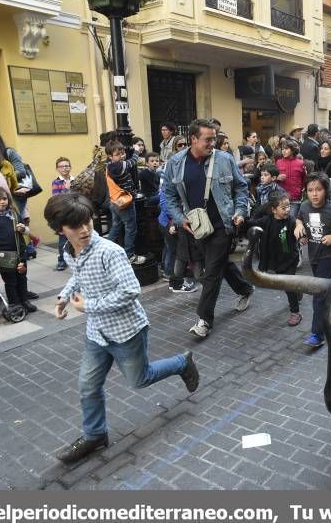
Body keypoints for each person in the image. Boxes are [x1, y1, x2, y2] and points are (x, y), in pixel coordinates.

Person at [45, 192, 199, 464]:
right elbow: (79, 276)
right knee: (87, 386)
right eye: (75, 226)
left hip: (126, 331)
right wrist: (65, 296)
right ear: (60, 230)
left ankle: (181, 363)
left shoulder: (109, 252)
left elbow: (131, 290)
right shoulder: (69, 251)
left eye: (87, 222)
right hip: (97, 333)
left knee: (140, 379)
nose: (84, 230)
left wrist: (88, 306)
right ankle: (95, 436)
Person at [163, 119, 255, 339]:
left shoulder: (224, 159)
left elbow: (241, 187)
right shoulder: (175, 163)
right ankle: (245, 289)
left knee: (211, 273)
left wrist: (240, 210)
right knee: (220, 264)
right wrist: (179, 218)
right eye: (208, 139)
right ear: (193, 139)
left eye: (214, 138)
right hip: (196, 227)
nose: (213, 143)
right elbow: (169, 195)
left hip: (223, 224)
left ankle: (204, 320)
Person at [295, 173, 331, 348]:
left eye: (318, 190)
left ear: (326, 190)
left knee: (318, 294)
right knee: (326, 292)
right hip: (313, 255)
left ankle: (317, 334)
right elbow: (300, 218)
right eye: (310, 190)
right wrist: (299, 228)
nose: (314, 194)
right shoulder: (305, 206)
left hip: (329, 257)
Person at [247, 191, 302, 326]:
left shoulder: (291, 221)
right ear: (273, 210)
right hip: (276, 261)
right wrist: (240, 221)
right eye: (283, 208)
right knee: (285, 285)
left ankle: (295, 312)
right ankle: (297, 292)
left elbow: (299, 229)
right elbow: (251, 223)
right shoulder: (267, 221)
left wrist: (301, 234)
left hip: (290, 259)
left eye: (288, 206)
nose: (287, 210)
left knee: (288, 285)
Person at [0, 187, 35, 313]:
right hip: (4, 256)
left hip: (20, 254)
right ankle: (14, 303)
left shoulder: (14, 214)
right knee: (10, 281)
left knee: (22, 278)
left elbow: (27, 231)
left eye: (4, 199)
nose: (2, 202)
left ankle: (24, 300)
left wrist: (23, 229)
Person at [105, 139, 145, 265]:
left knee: (116, 226)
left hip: (115, 201)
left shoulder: (110, 166)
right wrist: (136, 151)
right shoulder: (116, 166)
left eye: (123, 153)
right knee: (131, 228)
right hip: (124, 202)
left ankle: (104, 250)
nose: (122, 156)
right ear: (110, 156)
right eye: (118, 154)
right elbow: (132, 162)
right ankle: (129, 255)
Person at [50, 157, 74, 271]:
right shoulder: (56, 182)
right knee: (63, 240)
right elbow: (56, 199)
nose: (65, 168)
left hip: (75, 213)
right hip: (63, 215)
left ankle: (76, 259)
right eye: (62, 166)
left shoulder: (75, 180)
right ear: (57, 169)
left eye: (67, 166)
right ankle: (62, 261)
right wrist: (66, 188)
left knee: (76, 237)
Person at [276, 140, 306, 219]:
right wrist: (277, 178)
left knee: (292, 220)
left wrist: (300, 191)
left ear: (293, 150)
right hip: (281, 198)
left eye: (286, 149)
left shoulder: (300, 163)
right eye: (282, 149)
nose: (283, 151)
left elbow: (304, 179)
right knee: (281, 220)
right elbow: (272, 178)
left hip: (295, 198)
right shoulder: (278, 162)